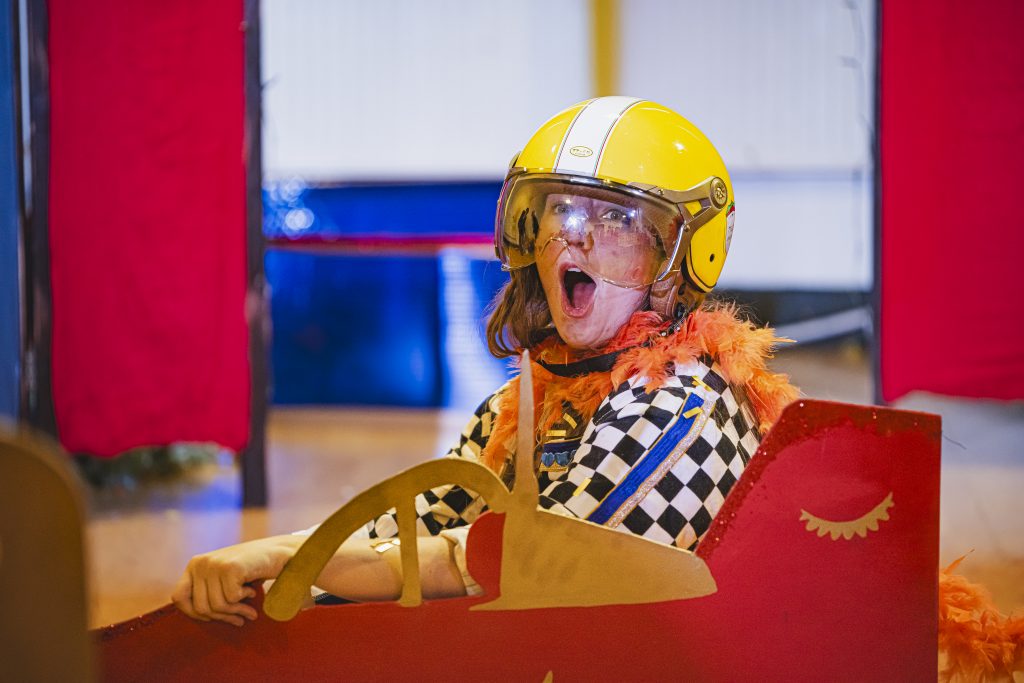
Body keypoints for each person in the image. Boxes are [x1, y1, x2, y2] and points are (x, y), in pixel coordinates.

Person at [172, 97, 799, 626]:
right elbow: (421, 522)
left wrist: (289, 557)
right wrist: (279, 561)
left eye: (615, 219)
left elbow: (513, 564)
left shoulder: (681, 401)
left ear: (683, 254)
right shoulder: (535, 394)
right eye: (560, 209)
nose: (574, 238)